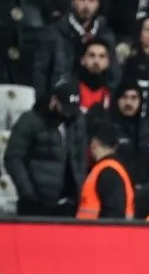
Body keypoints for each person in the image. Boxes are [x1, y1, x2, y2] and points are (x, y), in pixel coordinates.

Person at [3, 80, 87, 217]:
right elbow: (13, 157)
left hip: (68, 202)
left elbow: (80, 156)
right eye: (64, 108)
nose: (68, 114)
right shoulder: (30, 120)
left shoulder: (77, 120)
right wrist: (28, 192)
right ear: (54, 100)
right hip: (35, 202)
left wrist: (78, 186)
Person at [77, 123, 135, 219]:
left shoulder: (107, 171)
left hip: (100, 232)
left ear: (94, 144)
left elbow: (113, 214)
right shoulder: (112, 168)